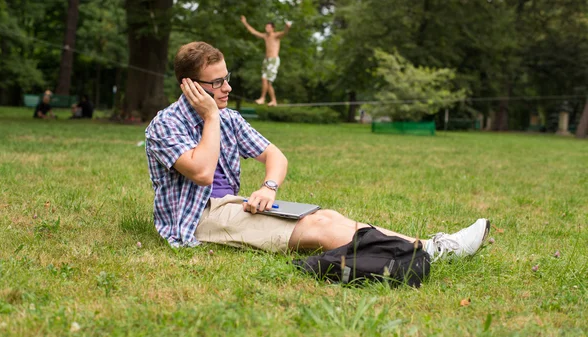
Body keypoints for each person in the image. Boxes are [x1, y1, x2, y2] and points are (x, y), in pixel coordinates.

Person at [145, 42, 490, 263]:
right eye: (216, 83)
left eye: (226, 77)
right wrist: (209, 117)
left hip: (233, 205)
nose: (228, 87)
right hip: (199, 219)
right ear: (189, 86)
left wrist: (268, 187)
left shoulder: (228, 118)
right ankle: (431, 251)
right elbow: (202, 172)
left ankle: (433, 246)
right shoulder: (166, 125)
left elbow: (276, 156)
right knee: (319, 231)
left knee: (329, 217)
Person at [240, 15, 291, 107]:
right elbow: (253, 32)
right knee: (265, 80)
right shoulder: (265, 36)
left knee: (267, 81)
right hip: (266, 61)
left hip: (273, 60)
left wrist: (287, 27)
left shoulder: (276, 36)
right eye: (266, 26)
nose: (266, 28)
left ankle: (266, 99)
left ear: (273, 28)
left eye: (268, 27)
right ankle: (270, 100)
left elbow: (284, 33)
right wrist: (244, 22)